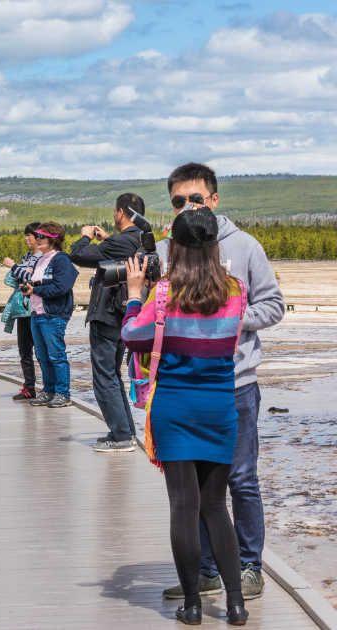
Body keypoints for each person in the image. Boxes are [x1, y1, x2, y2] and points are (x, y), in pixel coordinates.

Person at [156, 163, 284, 603]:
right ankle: (206, 572)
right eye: (177, 201)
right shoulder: (163, 250)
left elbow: (273, 305)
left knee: (242, 480)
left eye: (194, 199)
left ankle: (250, 568)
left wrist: (226, 322)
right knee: (189, 491)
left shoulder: (245, 247)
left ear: (213, 199)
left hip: (236, 383)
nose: (186, 207)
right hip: (181, 387)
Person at [122, 208, 249, 626]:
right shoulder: (236, 290)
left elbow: (133, 337)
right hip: (218, 405)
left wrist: (134, 295)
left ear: (173, 247)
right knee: (216, 505)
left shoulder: (163, 294)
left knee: (183, 506)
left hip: (174, 406)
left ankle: (193, 605)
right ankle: (235, 604)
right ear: (214, 246)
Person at [70, 193, 147, 452]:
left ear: (122, 213)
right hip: (124, 314)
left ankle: (122, 436)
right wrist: (107, 240)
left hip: (107, 315)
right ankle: (123, 430)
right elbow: (117, 252)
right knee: (113, 374)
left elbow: (78, 255)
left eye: (115, 212)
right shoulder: (140, 239)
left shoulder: (121, 241)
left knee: (104, 376)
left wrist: (85, 236)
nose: (114, 216)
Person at [21, 223, 78, 408]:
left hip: (53, 314)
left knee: (56, 355)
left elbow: (62, 286)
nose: (37, 240)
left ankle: (63, 393)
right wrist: (30, 289)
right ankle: (48, 390)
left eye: (41, 237)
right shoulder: (41, 259)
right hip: (37, 313)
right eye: (37, 236)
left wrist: (35, 289)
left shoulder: (61, 259)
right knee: (42, 355)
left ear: (52, 240)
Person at [1, 223, 41, 401]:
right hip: (22, 310)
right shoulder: (27, 256)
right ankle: (29, 386)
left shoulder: (41, 258)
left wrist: (15, 267)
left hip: (34, 308)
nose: (27, 239)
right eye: (25, 236)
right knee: (24, 350)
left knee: (40, 350)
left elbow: (29, 278)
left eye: (29, 236)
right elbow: (16, 278)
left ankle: (48, 387)